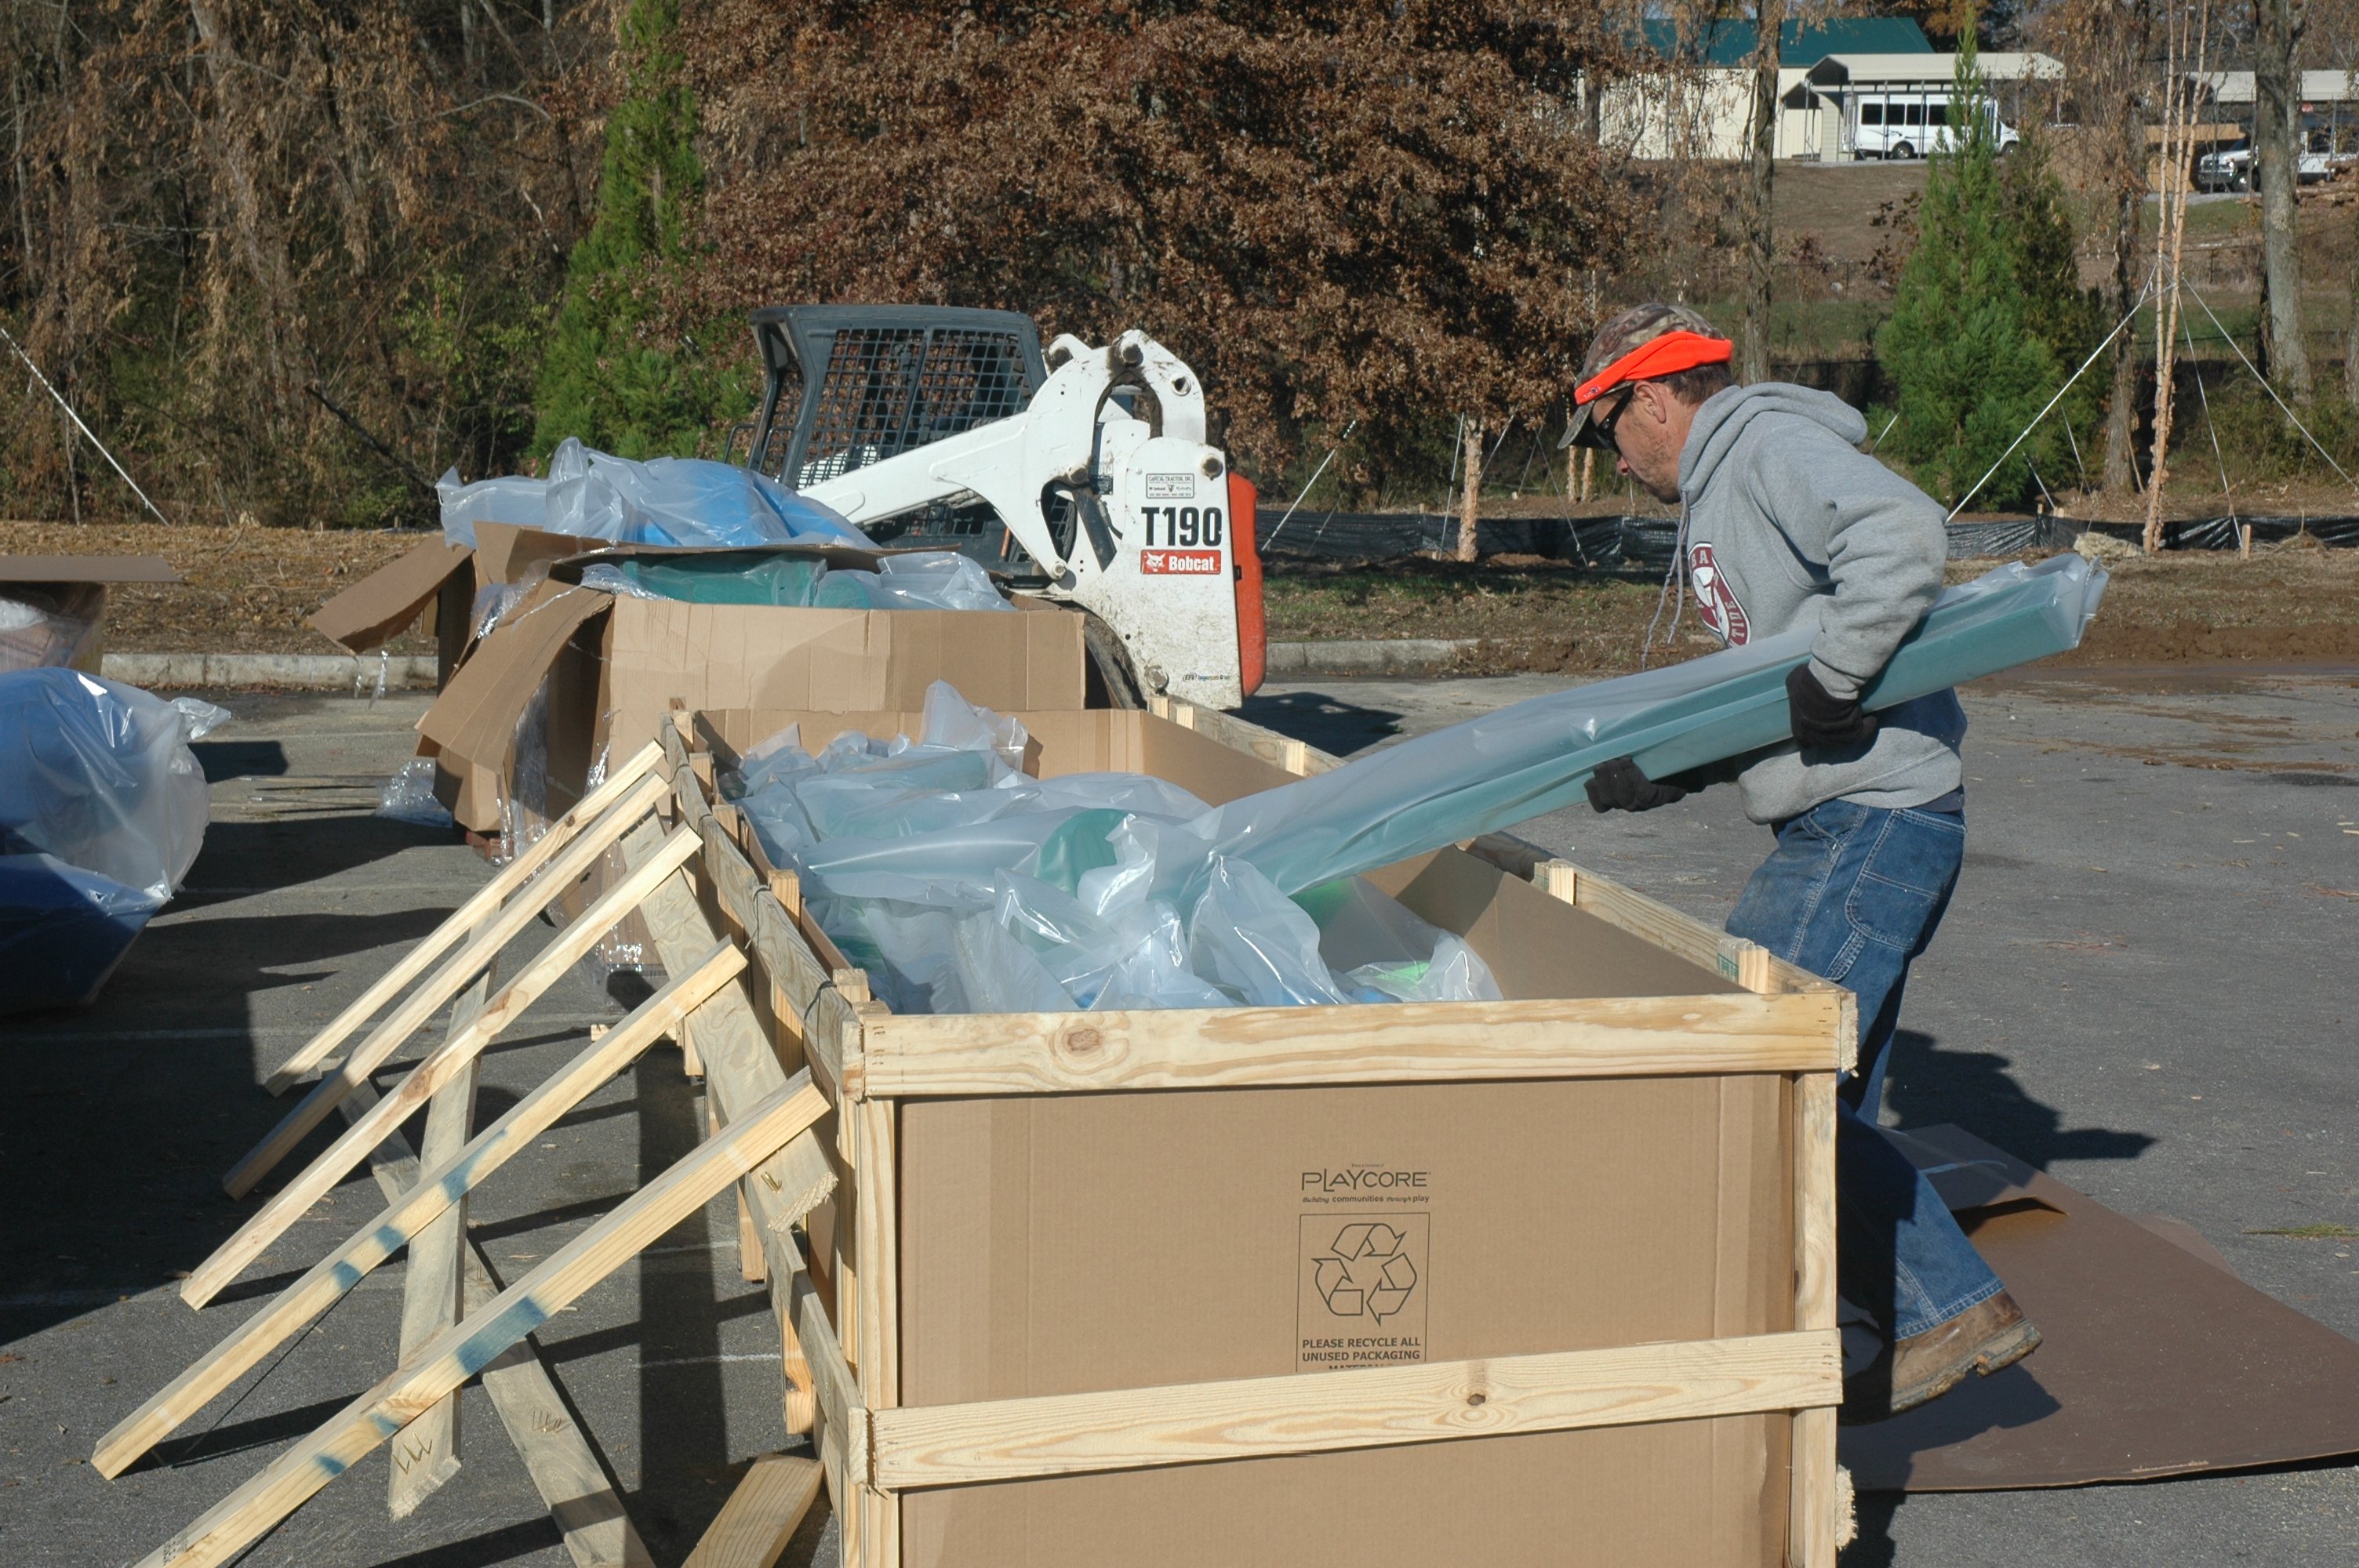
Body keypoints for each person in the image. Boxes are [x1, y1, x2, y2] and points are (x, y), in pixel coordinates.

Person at [1563, 303, 2039, 1421]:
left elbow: (1903, 537)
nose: (1612, 464)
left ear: (1650, 398)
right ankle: (1861, 1321)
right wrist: (1676, 768)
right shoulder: (1725, 486)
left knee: (1763, 1071)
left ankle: (1949, 1309)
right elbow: (1778, 680)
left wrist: (1841, 675)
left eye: (1606, 437)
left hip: (1869, 821)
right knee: (1815, 1096)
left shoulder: (1770, 446)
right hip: (1844, 818)